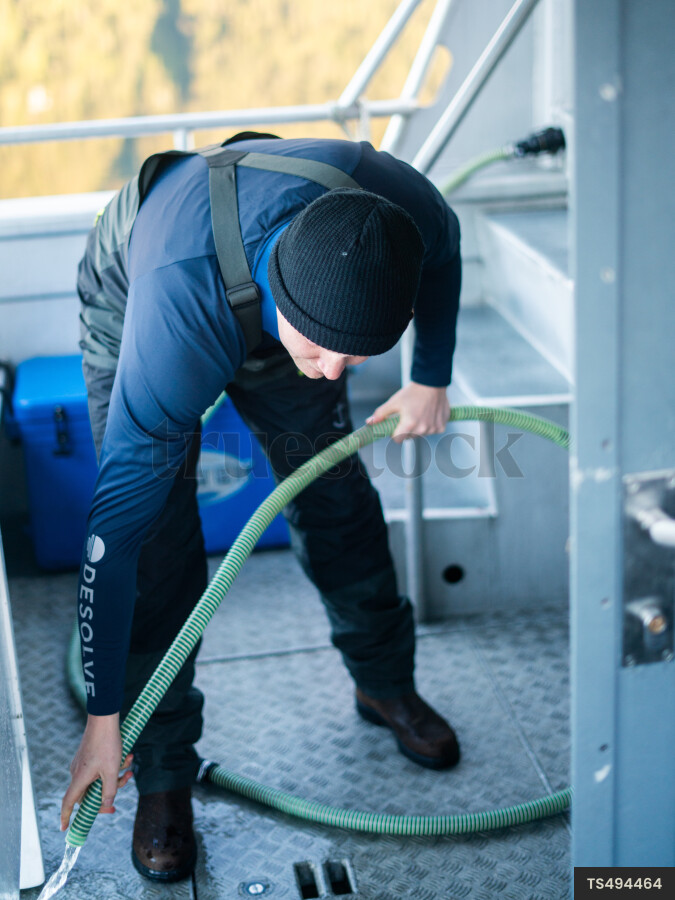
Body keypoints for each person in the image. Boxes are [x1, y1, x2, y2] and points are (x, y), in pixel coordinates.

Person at [60, 133, 462, 882]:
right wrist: (103, 720)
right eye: (322, 351)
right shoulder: (176, 319)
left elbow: (443, 248)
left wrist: (429, 374)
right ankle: (162, 771)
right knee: (158, 541)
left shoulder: (393, 209)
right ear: (283, 298)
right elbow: (115, 538)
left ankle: (384, 683)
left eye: (358, 354)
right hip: (140, 284)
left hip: (292, 273)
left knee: (333, 492)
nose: (335, 371)